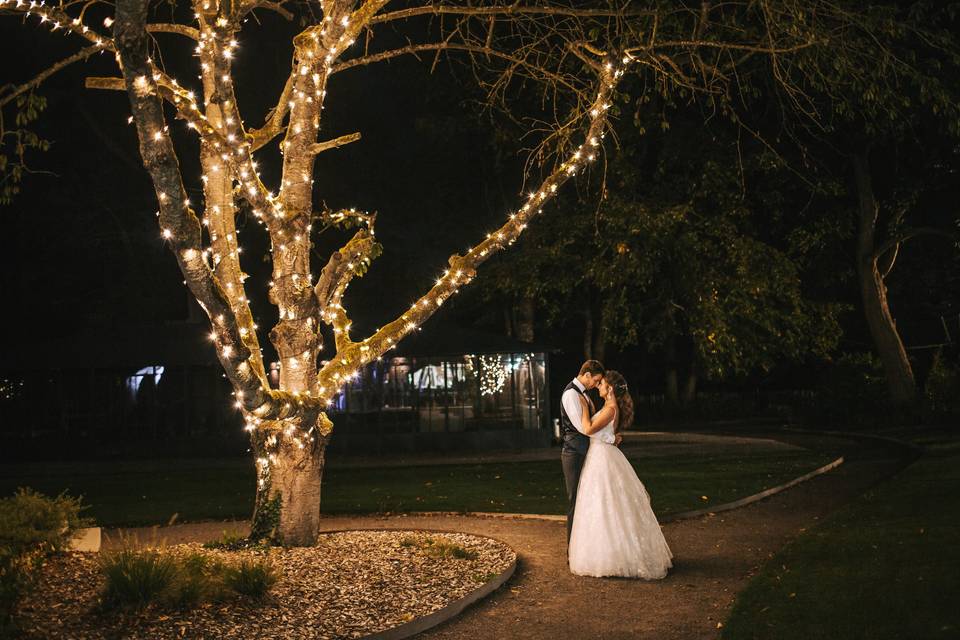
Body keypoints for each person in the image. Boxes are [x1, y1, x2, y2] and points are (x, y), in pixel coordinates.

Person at [568, 370, 673, 579]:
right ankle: (607, 553)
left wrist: (582, 408)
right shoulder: (608, 408)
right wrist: (611, 437)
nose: (598, 386)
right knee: (602, 505)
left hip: (603, 459)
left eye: (602, 384)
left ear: (610, 389)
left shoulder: (609, 409)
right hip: (600, 455)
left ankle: (615, 557)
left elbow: (588, 429)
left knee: (607, 505)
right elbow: (603, 433)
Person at [560, 359, 608, 546]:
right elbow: (582, 427)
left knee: (585, 499)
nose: (596, 385)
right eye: (596, 380)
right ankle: (572, 548)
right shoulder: (571, 394)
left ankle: (585, 546)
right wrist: (606, 436)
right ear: (587, 374)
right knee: (575, 500)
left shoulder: (583, 394)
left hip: (584, 451)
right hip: (573, 453)